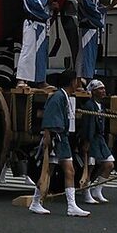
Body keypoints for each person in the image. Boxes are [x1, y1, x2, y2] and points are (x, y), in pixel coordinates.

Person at [29, 71, 89, 217]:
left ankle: (69, 205)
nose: (79, 84)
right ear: (72, 82)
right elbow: (50, 118)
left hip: (61, 137)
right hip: (57, 137)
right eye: (77, 81)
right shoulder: (58, 96)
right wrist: (49, 138)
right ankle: (38, 202)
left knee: (65, 170)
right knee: (49, 170)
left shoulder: (63, 96)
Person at [15, 0, 65, 89]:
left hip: (42, 25)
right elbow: (38, 4)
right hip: (32, 24)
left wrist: (52, 7)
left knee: (41, 54)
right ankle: (21, 80)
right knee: (28, 51)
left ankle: (41, 80)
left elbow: (45, 7)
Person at [75, 0, 117, 82]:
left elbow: (97, 9)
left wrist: (105, 7)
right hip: (86, 29)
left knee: (91, 55)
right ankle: (82, 78)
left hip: (93, 29)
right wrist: (109, 6)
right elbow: (94, 11)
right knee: (85, 54)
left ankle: (88, 77)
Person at [78, 79, 114, 204]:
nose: (103, 91)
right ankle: (87, 193)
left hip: (99, 138)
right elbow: (87, 125)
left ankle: (97, 190)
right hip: (91, 138)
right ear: (93, 91)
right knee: (90, 166)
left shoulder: (102, 106)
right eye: (100, 89)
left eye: (103, 88)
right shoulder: (89, 105)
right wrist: (86, 141)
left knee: (109, 163)